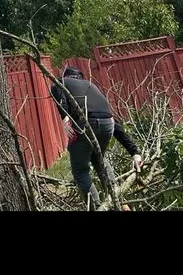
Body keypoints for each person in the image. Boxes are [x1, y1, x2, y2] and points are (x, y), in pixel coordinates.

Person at [51, 66, 142, 210]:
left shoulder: (61, 81)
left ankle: (98, 207)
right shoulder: (91, 86)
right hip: (108, 125)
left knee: (80, 171)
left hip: (87, 124)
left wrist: (65, 118)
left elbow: (57, 91)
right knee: (100, 160)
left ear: (66, 76)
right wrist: (135, 152)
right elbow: (113, 121)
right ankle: (121, 204)